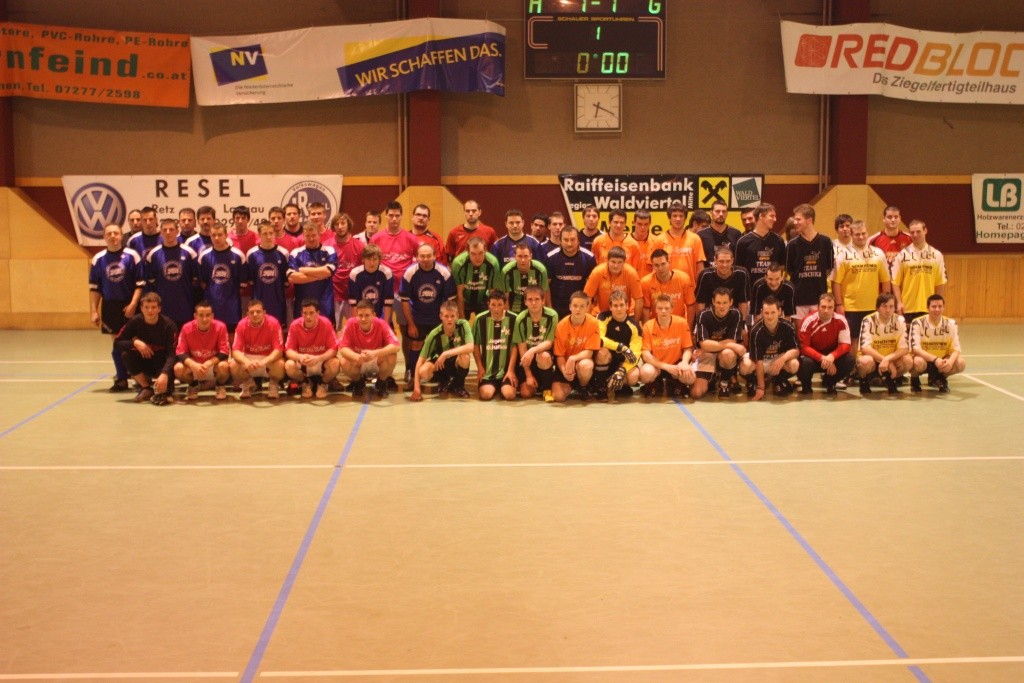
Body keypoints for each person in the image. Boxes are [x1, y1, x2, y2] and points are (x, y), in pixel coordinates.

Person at [89, 223, 144, 391]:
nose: (113, 236)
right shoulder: (98, 259)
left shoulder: (132, 255)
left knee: (136, 341)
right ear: (104, 237)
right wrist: (94, 311)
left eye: (116, 233)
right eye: (109, 234)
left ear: (121, 236)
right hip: (110, 306)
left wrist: (133, 304)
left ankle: (140, 377)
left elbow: (140, 284)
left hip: (130, 305)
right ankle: (121, 378)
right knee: (117, 343)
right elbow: (94, 288)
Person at [400, 243, 456, 387]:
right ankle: (413, 374)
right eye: (422, 256)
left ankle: (442, 377)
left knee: (442, 347)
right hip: (418, 317)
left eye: (428, 256)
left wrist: (446, 322)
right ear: (417, 257)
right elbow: (405, 301)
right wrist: (411, 324)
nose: (425, 259)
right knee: (415, 344)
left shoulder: (444, 272)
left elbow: (450, 302)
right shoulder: (410, 273)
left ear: (434, 256)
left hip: (438, 318)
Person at [831, 219, 891, 350]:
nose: (861, 237)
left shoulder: (878, 254)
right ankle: (854, 364)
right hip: (851, 307)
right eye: (857, 234)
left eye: (863, 233)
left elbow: (885, 280)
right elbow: (836, 282)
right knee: (853, 340)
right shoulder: (843, 255)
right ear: (851, 235)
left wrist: (885, 303)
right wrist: (839, 305)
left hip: (874, 306)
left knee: (873, 338)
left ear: (867, 233)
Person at [115, 292, 177, 405]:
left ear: (159, 309)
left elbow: (172, 354)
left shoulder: (169, 325)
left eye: (153, 307)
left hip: (162, 363)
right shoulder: (135, 321)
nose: (150, 310)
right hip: (144, 360)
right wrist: (135, 343)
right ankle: (146, 388)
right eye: (146, 307)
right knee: (126, 355)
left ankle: (166, 388)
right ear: (141, 308)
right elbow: (117, 343)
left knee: (165, 394)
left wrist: (164, 373)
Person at [691, 288, 752, 399]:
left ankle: (724, 381)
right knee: (696, 393)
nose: (721, 306)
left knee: (728, 354)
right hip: (706, 354)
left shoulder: (736, 314)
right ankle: (712, 379)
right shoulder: (703, 315)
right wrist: (729, 344)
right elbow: (704, 345)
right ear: (713, 302)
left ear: (731, 302)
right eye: (718, 302)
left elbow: (732, 341)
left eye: (725, 302)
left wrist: (716, 345)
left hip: (724, 354)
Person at [409, 300, 474, 401]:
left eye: (452, 316)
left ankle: (458, 385)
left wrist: (446, 353)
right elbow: (420, 361)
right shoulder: (434, 334)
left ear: (457, 316)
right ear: (441, 316)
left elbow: (471, 347)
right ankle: (443, 382)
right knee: (423, 371)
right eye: (446, 316)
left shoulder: (463, 325)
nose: (449, 319)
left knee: (465, 356)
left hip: (456, 362)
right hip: (440, 365)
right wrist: (416, 389)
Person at [337, 298, 400, 398]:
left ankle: (381, 383)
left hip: (376, 359)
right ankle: (359, 382)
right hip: (358, 360)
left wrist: (375, 353)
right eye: (360, 315)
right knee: (344, 361)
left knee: (392, 356)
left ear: (373, 315)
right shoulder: (350, 323)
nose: (363, 319)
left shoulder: (381, 323)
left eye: (367, 315)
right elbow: (343, 348)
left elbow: (396, 345)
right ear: (356, 315)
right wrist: (356, 356)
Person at [145, 217, 200, 330]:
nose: (168, 232)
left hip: (186, 307)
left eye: (171, 229)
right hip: (163, 309)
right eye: (165, 230)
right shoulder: (153, 254)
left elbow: (196, 281)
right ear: (160, 233)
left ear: (177, 231)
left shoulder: (190, 253)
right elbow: (150, 284)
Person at [785, 203, 834, 327]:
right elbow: (790, 271)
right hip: (799, 299)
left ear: (809, 220)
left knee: (819, 333)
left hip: (819, 299)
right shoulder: (792, 245)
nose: (795, 222)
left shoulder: (826, 242)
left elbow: (828, 269)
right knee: (800, 334)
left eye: (798, 219)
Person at [797, 293, 855, 395]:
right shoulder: (808, 321)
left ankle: (830, 382)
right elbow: (804, 347)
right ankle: (806, 385)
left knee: (849, 360)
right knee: (804, 363)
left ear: (834, 308)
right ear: (818, 307)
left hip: (831, 356)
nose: (826, 310)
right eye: (823, 307)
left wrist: (832, 356)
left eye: (830, 307)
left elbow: (846, 345)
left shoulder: (841, 320)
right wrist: (822, 358)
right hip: (813, 357)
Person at [640, 293, 696, 398]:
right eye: (660, 308)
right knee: (645, 373)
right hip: (657, 365)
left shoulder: (682, 323)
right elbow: (646, 355)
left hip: (676, 363)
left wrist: (684, 363)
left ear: (672, 309)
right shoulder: (648, 326)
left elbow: (688, 348)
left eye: (666, 308)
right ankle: (653, 383)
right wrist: (666, 367)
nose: (663, 311)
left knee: (691, 377)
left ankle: (676, 383)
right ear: (655, 309)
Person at [891, 219, 947, 323]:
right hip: (907, 308)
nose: (915, 235)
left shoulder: (937, 255)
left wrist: (938, 304)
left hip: (929, 308)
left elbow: (940, 283)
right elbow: (895, 282)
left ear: (925, 231)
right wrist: (898, 302)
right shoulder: (902, 255)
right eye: (912, 232)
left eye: (918, 231)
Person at [174, 301, 231, 400]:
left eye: (208, 315)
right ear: (195, 316)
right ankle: (193, 385)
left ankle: (219, 385)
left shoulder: (221, 327)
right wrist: (193, 365)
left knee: (224, 366)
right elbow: (180, 353)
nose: (204, 319)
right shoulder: (186, 328)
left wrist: (209, 362)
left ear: (212, 316)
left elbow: (224, 352)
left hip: (213, 365)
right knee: (178, 368)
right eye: (201, 315)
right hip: (194, 366)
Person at [856, 292, 911, 395]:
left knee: (908, 361)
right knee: (864, 362)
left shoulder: (900, 320)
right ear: (877, 308)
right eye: (884, 306)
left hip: (891, 359)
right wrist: (885, 360)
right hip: (873, 359)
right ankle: (863, 381)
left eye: (891, 306)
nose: (888, 310)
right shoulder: (868, 320)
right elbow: (865, 348)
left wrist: (888, 359)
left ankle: (890, 379)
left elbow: (904, 348)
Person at [909, 294, 965, 394]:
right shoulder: (918, 322)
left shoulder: (951, 323)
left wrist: (950, 362)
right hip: (925, 360)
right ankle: (914, 379)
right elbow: (915, 349)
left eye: (940, 306)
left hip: (942, 360)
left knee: (961, 363)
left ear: (944, 307)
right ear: (927, 308)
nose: (937, 309)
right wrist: (935, 359)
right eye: (934, 306)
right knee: (917, 362)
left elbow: (956, 349)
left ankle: (940, 377)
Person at [285, 299, 341, 399]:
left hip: (321, 360)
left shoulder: (326, 323)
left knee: (335, 364)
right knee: (289, 365)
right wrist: (300, 357)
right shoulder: (294, 325)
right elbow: (288, 350)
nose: (308, 316)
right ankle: (305, 383)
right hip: (303, 362)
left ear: (318, 313)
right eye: (305, 313)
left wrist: (318, 358)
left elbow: (334, 349)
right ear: (301, 313)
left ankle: (322, 384)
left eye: (311, 313)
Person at [551, 290, 601, 402]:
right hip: (566, 365)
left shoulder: (593, 323)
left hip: (581, 363)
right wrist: (564, 371)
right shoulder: (561, 326)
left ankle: (583, 387)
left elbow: (589, 352)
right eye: (575, 306)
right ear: (570, 307)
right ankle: (571, 386)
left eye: (582, 306)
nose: (578, 309)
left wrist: (573, 358)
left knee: (586, 365)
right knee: (558, 397)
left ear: (587, 307)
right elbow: (559, 355)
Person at [230, 298, 286, 399]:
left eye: (258, 311)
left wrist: (264, 361)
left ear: (264, 312)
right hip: (249, 359)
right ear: (247, 314)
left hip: (268, 359)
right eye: (252, 312)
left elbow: (278, 350)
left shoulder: (273, 323)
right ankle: (248, 383)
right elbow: (235, 351)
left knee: (280, 364)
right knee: (233, 364)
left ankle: (273, 384)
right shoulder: (242, 325)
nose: (255, 314)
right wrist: (246, 361)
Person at [198, 223, 248, 334]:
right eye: (213, 235)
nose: (216, 238)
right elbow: (203, 283)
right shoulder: (204, 256)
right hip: (212, 306)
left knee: (232, 336)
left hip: (232, 308)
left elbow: (242, 285)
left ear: (226, 235)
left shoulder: (238, 255)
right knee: (212, 336)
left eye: (220, 235)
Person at [747, 296, 800, 400]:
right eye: (766, 313)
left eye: (773, 312)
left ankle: (778, 380)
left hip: (778, 360)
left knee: (794, 364)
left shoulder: (788, 326)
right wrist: (761, 388)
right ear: (762, 312)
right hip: (762, 361)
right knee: (745, 366)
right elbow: (758, 361)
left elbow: (796, 350)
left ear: (779, 312)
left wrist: (783, 358)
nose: (770, 316)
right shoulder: (755, 331)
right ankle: (755, 382)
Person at [511, 286, 559, 400]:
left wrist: (533, 350)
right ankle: (536, 383)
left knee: (543, 356)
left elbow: (549, 342)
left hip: (544, 357)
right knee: (525, 394)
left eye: (537, 299)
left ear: (543, 301)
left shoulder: (552, 315)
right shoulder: (520, 319)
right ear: (525, 302)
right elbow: (522, 349)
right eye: (530, 299)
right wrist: (528, 375)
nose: (533, 303)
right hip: (527, 360)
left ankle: (546, 388)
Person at [593, 290, 643, 398]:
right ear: (610, 307)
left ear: (627, 306)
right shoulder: (602, 317)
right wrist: (621, 347)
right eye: (615, 305)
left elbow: (635, 353)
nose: (619, 309)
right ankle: (601, 387)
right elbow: (599, 339)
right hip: (606, 360)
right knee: (602, 352)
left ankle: (618, 386)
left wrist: (623, 369)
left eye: (621, 305)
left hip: (621, 362)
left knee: (634, 376)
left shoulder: (634, 325)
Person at [472, 289, 518, 401]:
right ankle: (494, 387)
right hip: (488, 372)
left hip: (506, 371)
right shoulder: (480, 319)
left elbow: (515, 346)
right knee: (486, 395)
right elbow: (475, 345)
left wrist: (511, 370)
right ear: (488, 304)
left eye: (499, 305)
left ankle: (503, 386)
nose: (496, 308)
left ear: (505, 304)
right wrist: (480, 367)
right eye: (493, 305)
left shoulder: (513, 319)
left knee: (510, 395)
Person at [288, 221, 338, 320]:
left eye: (314, 235)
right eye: (308, 236)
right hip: (302, 304)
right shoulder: (295, 253)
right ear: (303, 236)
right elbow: (292, 278)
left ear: (319, 235)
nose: (311, 239)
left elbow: (328, 272)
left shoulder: (329, 251)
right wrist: (320, 275)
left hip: (324, 304)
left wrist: (303, 270)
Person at [734, 203, 785, 300]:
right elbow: (738, 270)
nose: (775, 219)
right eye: (772, 216)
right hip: (750, 295)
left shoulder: (779, 240)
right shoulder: (743, 241)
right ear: (761, 216)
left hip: (773, 295)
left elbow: (781, 266)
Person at [246, 221, 291, 328]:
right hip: (258, 300)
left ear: (274, 234)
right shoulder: (251, 254)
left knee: (278, 328)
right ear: (259, 235)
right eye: (265, 234)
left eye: (271, 233)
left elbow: (285, 282)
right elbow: (251, 281)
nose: (268, 236)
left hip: (278, 301)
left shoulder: (283, 253)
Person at [544, 224, 596, 318]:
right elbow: (546, 286)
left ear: (578, 240)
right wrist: (549, 307)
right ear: (560, 241)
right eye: (566, 240)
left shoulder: (589, 258)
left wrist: (587, 310)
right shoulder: (551, 257)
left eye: (572, 239)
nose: (569, 243)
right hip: (556, 308)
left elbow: (591, 288)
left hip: (580, 308)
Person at [326, 212, 366, 329]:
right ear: (333, 227)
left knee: (355, 328)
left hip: (353, 296)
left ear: (348, 225)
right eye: (337, 224)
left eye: (343, 223)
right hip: (333, 295)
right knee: (332, 329)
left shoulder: (359, 246)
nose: (340, 227)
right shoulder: (327, 246)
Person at [451, 235, 502, 320]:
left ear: (485, 250)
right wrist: (462, 320)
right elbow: (459, 293)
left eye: (480, 253)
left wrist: (491, 319)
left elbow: (492, 292)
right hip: (464, 300)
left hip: (483, 299)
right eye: (473, 254)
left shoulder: (493, 263)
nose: (477, 258)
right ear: (468, 251)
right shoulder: (458, 263)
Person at [641, 248, 696, 324]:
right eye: (656, 265)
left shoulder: (683, 279)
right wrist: (646, 329)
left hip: (679, 324)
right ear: (652, 266)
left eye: (663, 264)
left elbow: (691, 305)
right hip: (656, 325)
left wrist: (688, 328)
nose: (660, 268)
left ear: (669, 263)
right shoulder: (646, 282)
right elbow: (646, 309)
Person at [583, 246, 643, 316]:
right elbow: (587, 298)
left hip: (625, 313)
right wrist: (588, 320)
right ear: (607, 261)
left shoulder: (631, 273)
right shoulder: (597, 272)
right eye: (613, 262)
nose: (616, 266)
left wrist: (635, 321)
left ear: (624, 262)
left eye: (620, 262)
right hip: (601, 313)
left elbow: (639, 299)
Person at [695, 246, 750, 320]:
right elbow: (700, 302)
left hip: (733, 318)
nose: (725, 265)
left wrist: (742, 323)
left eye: (728, 261)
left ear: (732, 260)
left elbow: (743, 302)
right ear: (715, 260)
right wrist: (700, 321)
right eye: (721, 261)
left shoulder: (741, 274)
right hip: (710, 318)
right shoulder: (706, 275)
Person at [661, 202, 706, 285]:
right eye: (674, 216)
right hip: (666, 288)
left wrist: (699, 287)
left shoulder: (695, 239)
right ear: (669, 218)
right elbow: (655, 268)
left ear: (685, 218)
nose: (678, 219)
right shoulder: (659, 240)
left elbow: (700, 268)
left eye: (681, 216)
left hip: (690, 288)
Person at [347, 243, 394, 321]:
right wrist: (358, 323)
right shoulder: (354, 274)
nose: (372, 263)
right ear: (363, 259)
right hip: (362, 317)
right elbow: (354, 303)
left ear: (379, 260)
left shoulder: (387, 273)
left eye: (375, 259)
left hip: (380, 316)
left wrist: (385, 324)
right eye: (368, 259)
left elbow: (388, 302)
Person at [500, 243, 549, 314]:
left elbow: (543, 296)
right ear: (514, 257)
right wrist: (509, 317)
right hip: (514, 310)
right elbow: (505, 299)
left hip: (534, 308)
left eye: (526, 256)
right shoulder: (506, 271)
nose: (523, 260)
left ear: (531, 256)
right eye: (519, 256)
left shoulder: (541, 270)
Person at [631, 208, 662, 278]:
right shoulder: (626, 242)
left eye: (646, 224)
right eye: (639, 224)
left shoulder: (656, 241)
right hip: (630, 282)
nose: (643, 227)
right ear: (634, 223)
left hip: (649, 282)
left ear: (650, 224)